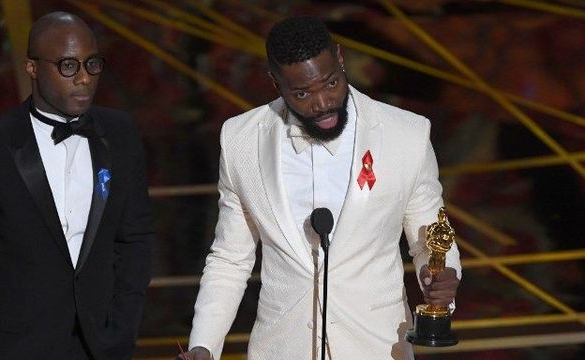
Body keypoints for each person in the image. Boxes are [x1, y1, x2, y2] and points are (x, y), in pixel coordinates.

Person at [180, 16, 461, 360]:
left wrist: (442, 277)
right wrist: (204, 344)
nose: (322, 103)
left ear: (340, 59)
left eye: (331, 84)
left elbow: (431, 237)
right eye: (302, 93)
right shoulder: (241, 140)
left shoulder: (407, 135)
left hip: (377, 347)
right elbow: (230, 258)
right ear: (275, 82)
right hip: (282, 348)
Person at [0, 12, 154, 360]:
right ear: (32, 68)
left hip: (100, 347)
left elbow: (135, 239)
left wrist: (122, 329)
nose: (84, 78)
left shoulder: (121, 133)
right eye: (68, 66)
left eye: (92, 64)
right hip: (12, 348)